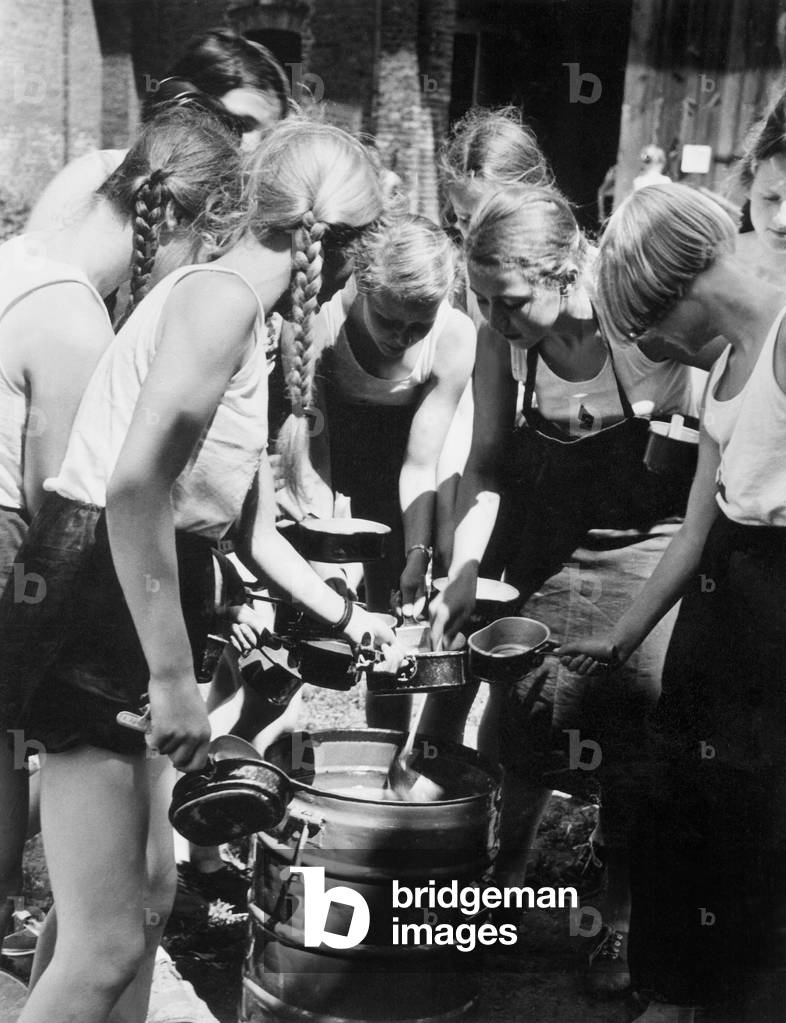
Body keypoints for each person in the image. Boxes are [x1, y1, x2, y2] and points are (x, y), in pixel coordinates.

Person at [2, 118, 395, 1023]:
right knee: (105, 948)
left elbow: (241, 531)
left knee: (142, 906)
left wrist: (351, 615)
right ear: (335, 247)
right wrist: (177, 678)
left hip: (138, 592)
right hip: (101, 601)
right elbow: (133, 485)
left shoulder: (232, 311)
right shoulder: (218, 302)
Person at [428, 184, 716, 995]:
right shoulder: (506, 343)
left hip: (651, 542)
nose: (496, 318)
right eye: (481, 300)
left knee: (640, 717)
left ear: (564, 271)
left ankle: (618, 914)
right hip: (550, 545)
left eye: (511, 300)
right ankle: (501, 882)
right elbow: (485, 466)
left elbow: (701, 456)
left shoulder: (640, 327)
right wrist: (463, 568)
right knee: (521, 706)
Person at [0, 104, 245, 961]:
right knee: (84, 916)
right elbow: (84, 491)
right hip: (48, 571)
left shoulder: (29, 267)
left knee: (108, 906)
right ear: (206, 219)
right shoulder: (79, 316)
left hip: (44, 575)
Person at [556, 189, 786, 1021]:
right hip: (720, 611)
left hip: (775, 606)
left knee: (762, 821)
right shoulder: (724, 368)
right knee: (684, 804)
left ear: (671, 297)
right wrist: (624, 633)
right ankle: (677, 990)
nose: (654, 348)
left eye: (647, 329)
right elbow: (697, 528)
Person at [309, 214, 476, 730]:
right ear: (362, 283)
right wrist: (327, 553)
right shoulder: (321, 323)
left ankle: (385, 754)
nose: (402, 337)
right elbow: (311, 454)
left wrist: (416, 554)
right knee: (311, 621)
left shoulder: (454, 335)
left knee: (391, 640)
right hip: (325, 471)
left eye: (417, 326)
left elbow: (420, 461)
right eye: (389, 321)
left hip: (397, 488)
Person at [433, 107, 554, 569]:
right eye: (462, 220)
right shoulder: (472, 287)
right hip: (503, 470)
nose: (473, 237)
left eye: (487, 217)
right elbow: (470, 417)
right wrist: (447, 527)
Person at [26, 28, 290, 234]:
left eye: (269, 137)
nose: (255, 148)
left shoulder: (240, 218)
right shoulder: (95, 177)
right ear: (186, 106)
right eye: (240, 125)